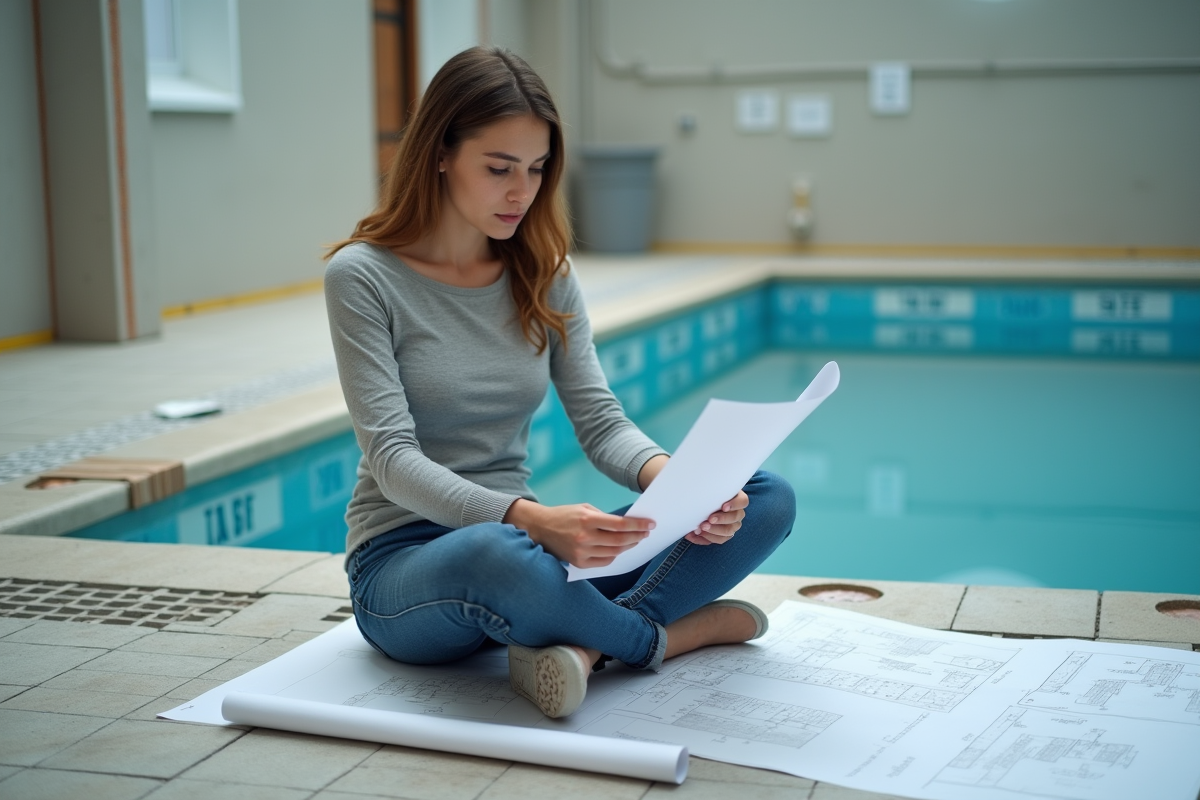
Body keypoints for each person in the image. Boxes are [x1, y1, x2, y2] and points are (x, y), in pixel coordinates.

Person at [324, 46, 796, 718]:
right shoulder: (363, 277)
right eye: (499, 169)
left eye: (537, 168)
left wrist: (679, 484)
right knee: (497, 553)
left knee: (764, 494)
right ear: (440, 153)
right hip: (409, 570)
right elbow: (392, 460)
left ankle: (584, 644)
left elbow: (600, 423)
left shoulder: (545, 273)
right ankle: (664, 637)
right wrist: (532, 520)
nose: (522, 192)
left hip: (530, 557)